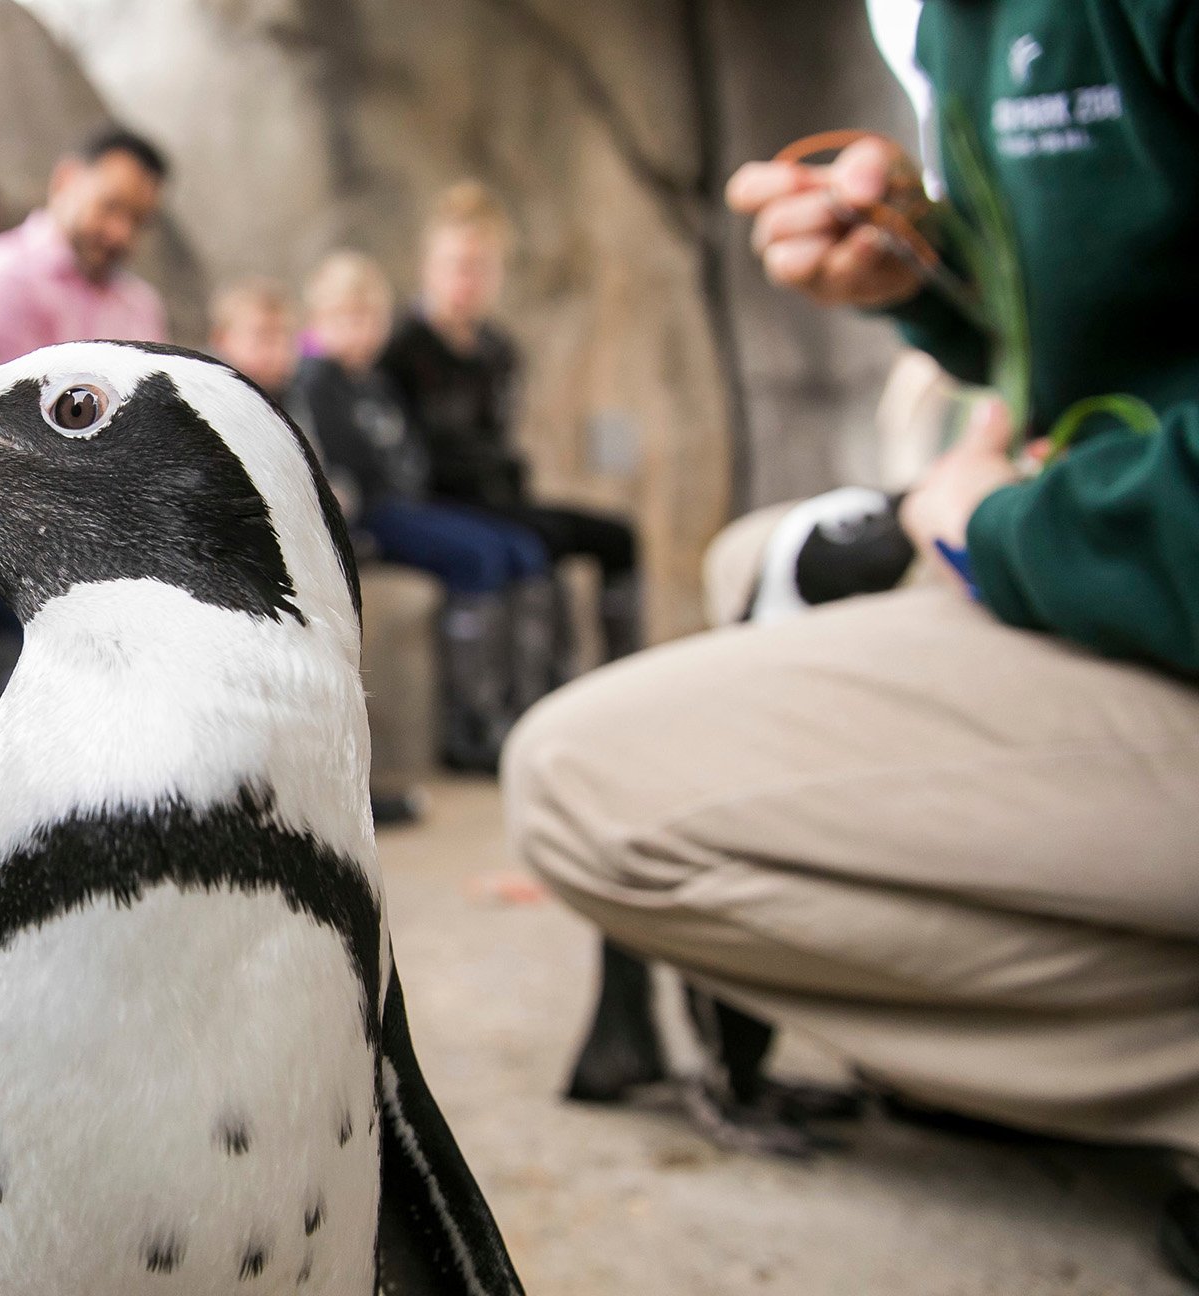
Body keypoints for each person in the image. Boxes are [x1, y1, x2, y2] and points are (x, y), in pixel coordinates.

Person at [506, 0, 1199, 1281]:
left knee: (582, 777)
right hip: (1125, 551)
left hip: (1145, 566)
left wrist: (1001, 531)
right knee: (752, 566)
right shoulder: (961, 29)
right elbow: (1115, 319)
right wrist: (928, 276)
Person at [286, 254, 561, 773]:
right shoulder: (316, 382)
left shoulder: (374, 383)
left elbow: (408, 456)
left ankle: (519, 703)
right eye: (346, 318)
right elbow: (354, 466)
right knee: (478, 557)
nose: (360, 331)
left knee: (515, 551)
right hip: (372, 517)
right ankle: (472, 724)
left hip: (406, 501)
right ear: (319, 322)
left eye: (369, 318)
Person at [382, 181, 641, 666]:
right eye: (457, 266)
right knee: (529, 548)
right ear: (428, 269)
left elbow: (498, 440)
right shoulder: (398, 347)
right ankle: (515, 702)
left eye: (482, 268)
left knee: (616, 535)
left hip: (496, 496)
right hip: (436, 500)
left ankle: (618, 673)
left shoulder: (498, 352)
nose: (469, 281)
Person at [0, 125, 170, 365]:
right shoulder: (5, 274)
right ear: (65, 179)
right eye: (110, 206)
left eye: (138, 220)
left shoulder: (141, 306)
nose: (122, 233)